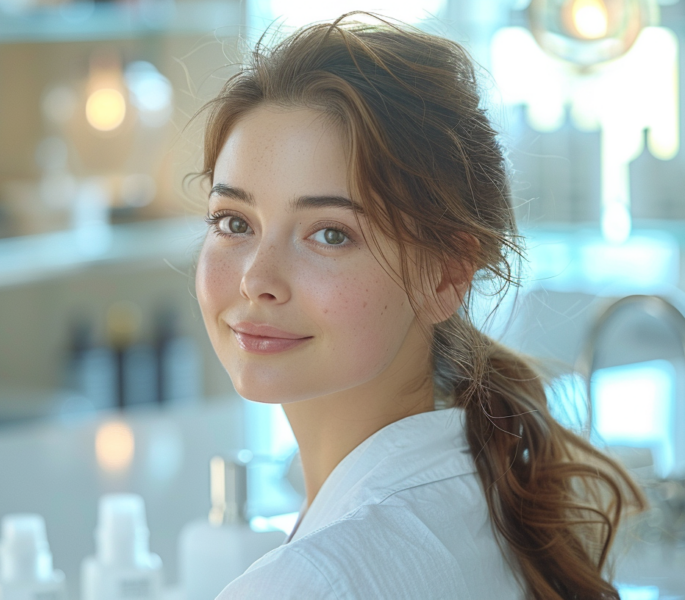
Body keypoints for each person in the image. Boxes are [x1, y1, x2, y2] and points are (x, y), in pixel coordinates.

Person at [189, 12, 649, 600]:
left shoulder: (310, 582)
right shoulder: (485, 495)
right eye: (234, 222)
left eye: (330, 234)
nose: (258, 278)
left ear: (446, 277)